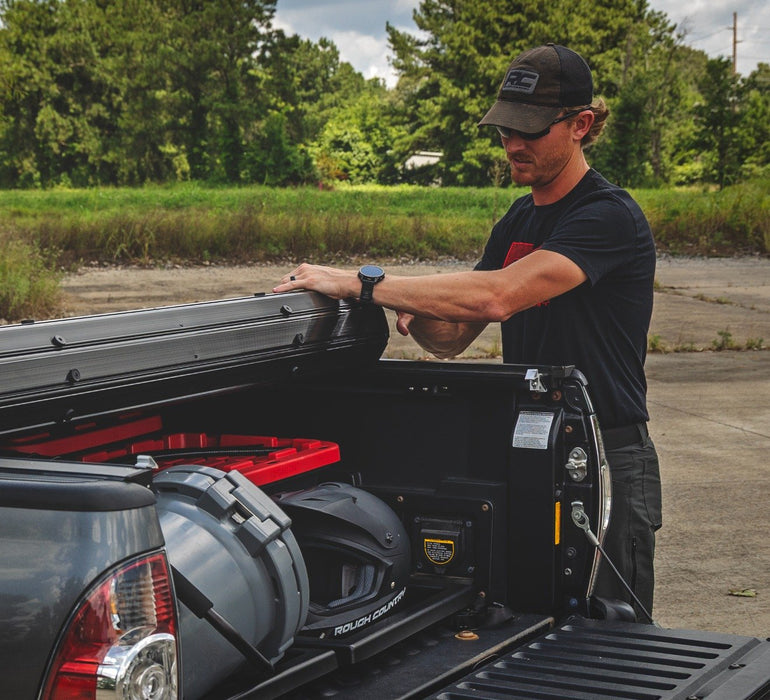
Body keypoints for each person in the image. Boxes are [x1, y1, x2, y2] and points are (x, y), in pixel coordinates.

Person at [273, 44, 661, 623]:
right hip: (531, 451)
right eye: (505, 128)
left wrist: (365, 283)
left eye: (529, 130)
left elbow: (498, 296)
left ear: (581, 125)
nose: (512, 144)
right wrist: (422, 311)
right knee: (530, 625)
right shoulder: (518, 220)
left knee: (609, 640)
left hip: (604, 457)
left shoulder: (607, 217)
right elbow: (453, 334)